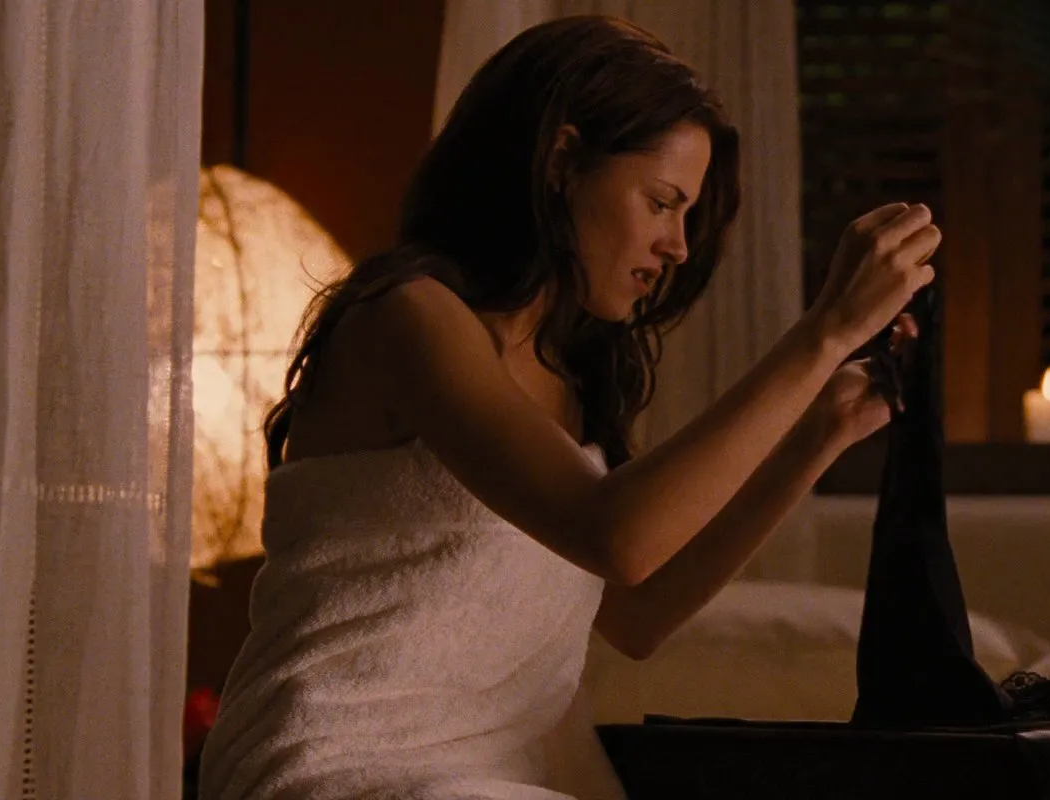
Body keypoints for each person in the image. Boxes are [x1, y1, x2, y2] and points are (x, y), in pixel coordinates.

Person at [197, 16, 937, 800]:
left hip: (486, 780)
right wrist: (825, 332)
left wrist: (817, 434)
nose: (679, 246)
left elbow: (637, 615)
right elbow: (616, 536)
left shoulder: (572, 380)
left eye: (687, 215)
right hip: (336, 766)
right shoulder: (410, 318)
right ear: (562, 162)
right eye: (661, 202)